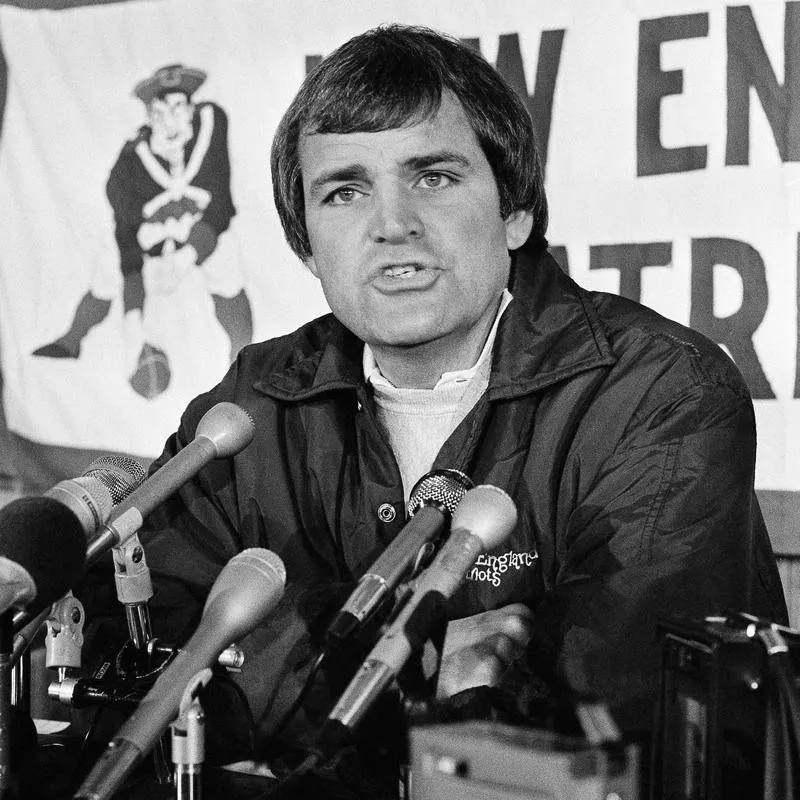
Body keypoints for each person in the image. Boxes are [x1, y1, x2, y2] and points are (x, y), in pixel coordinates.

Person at [104, 23, 786, 798]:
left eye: (432, 176)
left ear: (516, 213)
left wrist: (271, 665)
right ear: (307, 244)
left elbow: (617, 728)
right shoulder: (254, 400)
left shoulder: (661, 391)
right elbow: (133, 658)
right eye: (346, 190)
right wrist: (436, 681)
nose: (392, 223)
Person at [33, 63, 253, 399]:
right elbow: (127, 243)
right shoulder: (129, 166)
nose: (170, 120)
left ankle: (243, 354)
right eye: (159, 111)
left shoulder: (211, 124)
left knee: (227, 268)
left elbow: (220, 206)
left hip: (199, 229)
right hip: (148, 237)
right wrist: (134, 323)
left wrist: (185, 258)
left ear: (192, 109)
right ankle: (72, 339)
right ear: (148, 116)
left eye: (179, 108)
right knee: (106, 275)